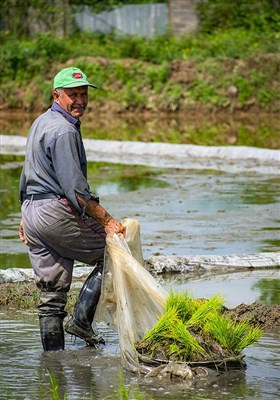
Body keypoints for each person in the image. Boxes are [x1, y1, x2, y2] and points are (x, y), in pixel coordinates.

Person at [18, 66, 126, 352]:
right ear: (57, 95)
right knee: (113, 252)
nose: (80, 100)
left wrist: (24, 215)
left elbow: (27, 170)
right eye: (72, 94)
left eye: (84, 94)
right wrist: (108, 222)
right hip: (55, 211)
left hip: (33, 211)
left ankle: (53, 366)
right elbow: (77, 192)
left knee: (51, 294)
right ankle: (80, 320)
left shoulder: (40, 121)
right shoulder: (64, 130)